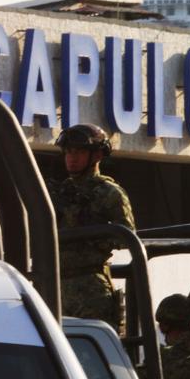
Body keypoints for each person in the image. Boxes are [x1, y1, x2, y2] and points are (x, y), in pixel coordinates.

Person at [49, 123, 135, 331]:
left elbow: (126, 235)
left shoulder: (109, 193)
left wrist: (90, 234)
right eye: (68, 152)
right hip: (54, 283)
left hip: (90, 286)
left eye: (78, 152)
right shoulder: (57, 193)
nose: (72, 157)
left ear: (96, 155)